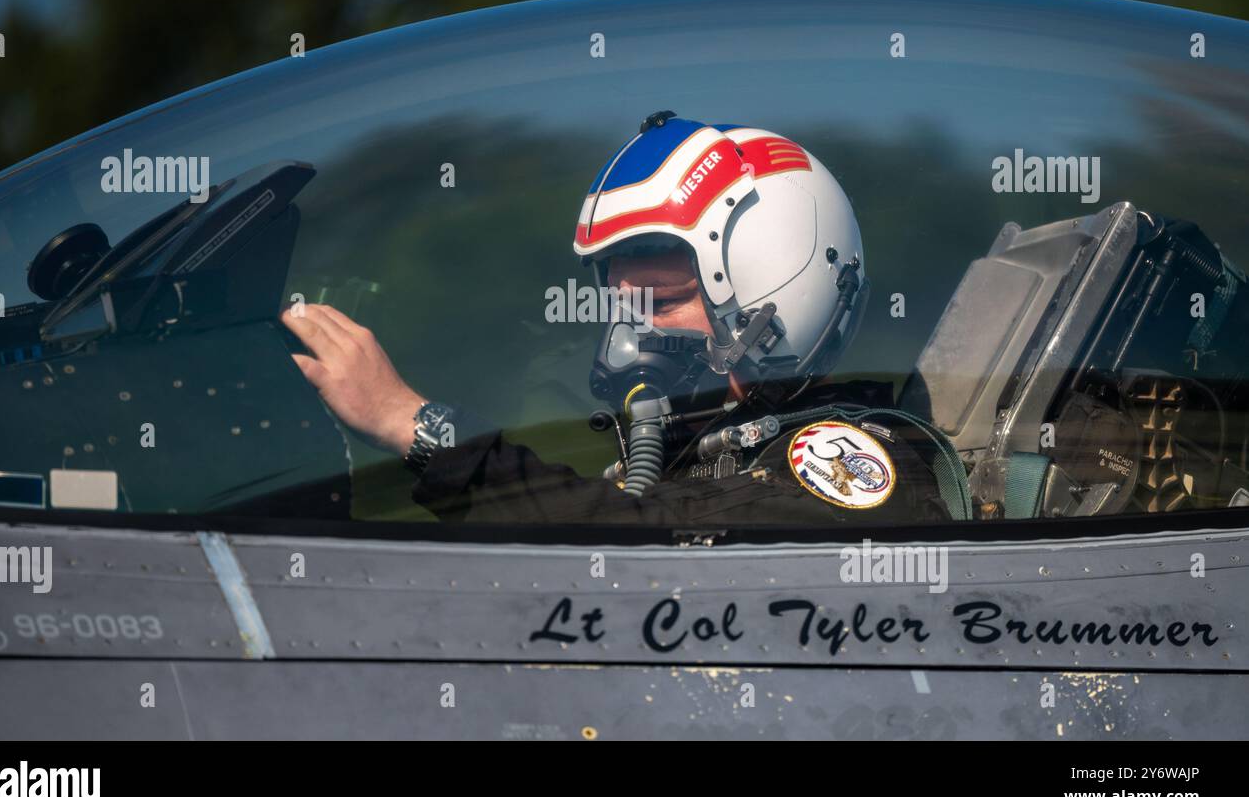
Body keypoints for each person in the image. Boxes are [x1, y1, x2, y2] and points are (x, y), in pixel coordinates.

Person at [281, 112, 968, 526]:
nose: (628, 339)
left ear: (773, 304)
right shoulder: (688, 465)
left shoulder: (862, 469)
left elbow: (641, 542)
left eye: (661, 304)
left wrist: (414, 424)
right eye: (622, 308)